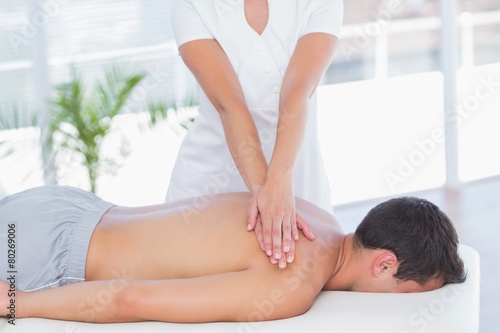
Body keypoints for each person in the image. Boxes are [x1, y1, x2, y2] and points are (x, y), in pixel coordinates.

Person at [0, 186, 466, 323]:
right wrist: (17, 302)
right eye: (411, 292)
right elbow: (130, 299)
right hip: (44, 254)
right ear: (385, 264)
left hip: (67, 206)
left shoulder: (311, 214)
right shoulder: (292, 284)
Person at [166, 0, 344, 266]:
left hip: (294, 180)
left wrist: (279, 185)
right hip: (209, 185)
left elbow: (297, 94)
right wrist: (269, 197)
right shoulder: (192, 5)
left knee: (301, 290)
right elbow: (229, 105)